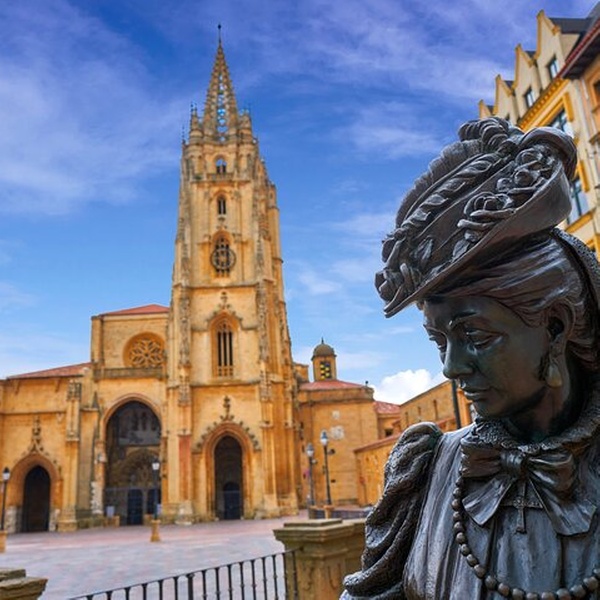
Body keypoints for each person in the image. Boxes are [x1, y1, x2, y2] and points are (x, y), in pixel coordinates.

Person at [341, 118, 600, 599]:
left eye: (474, 335)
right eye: (439, 341)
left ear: (556, 327)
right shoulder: (427, 472)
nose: (451, 368)